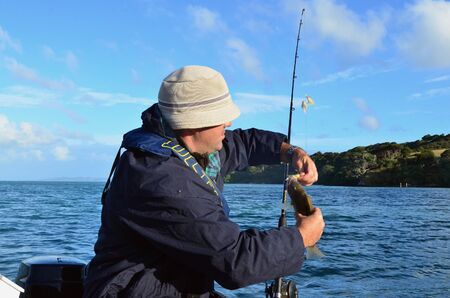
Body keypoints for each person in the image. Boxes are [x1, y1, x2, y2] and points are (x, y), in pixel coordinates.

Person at [84, 65, 325, 297]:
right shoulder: (160, 178)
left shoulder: (193, 145)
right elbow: (235, 260)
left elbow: (244, 143)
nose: (228, 123)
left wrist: (292, 152)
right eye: (221, 117)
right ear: (192, 123)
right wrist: (301, 237)